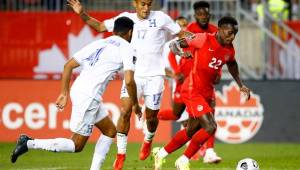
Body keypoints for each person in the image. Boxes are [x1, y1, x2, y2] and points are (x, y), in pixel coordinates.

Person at [67, 0, 189, 169]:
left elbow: (181, 33)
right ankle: (121, 154)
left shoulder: (161, 18)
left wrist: (197, 41)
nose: (146, 8)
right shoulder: (125, 19)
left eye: (149, 4)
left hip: (155, 76)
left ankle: (148, 139)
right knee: (125, 111)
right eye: (143, 4)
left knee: (152, 118)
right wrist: (81, 13)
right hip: (134, 74)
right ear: (135, 3)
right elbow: (100, 27)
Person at [10, 16, 142, 170]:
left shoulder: (100, 42)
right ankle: (29, 143)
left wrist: (64, 93)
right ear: (130, 32)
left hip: (79, 89)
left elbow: (68, 65)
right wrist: (135, 104)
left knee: (110, 131)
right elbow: (129, 81)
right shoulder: (127, 48)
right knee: (77, 144)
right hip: (89, 96)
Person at [153, 16, 251, 170]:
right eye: (229, 33)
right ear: (219, 30)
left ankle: (161, 154)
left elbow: (232, 63)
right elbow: (174, 45)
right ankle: (184, 160)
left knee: (191, 131)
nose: (231, 37)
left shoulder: (229, 49)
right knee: (211, 126)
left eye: (234, 34)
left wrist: (240, 85)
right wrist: (181, 53)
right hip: (192, 89)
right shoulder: (202, 38)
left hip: (207, 92)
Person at [157, 1, 221, 163]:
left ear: (209, 14)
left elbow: (220, 56)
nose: (203, 17)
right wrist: (178, 69)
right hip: (188, 81)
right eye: (200, 14)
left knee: (204, 120)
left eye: (205, 13)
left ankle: (208, 152)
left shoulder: (215, 31)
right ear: (195, 15)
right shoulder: (190, 31)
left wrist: (218, 72)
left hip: (206, 82)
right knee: (179, 115)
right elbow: (173, 49)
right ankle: (151, 116)